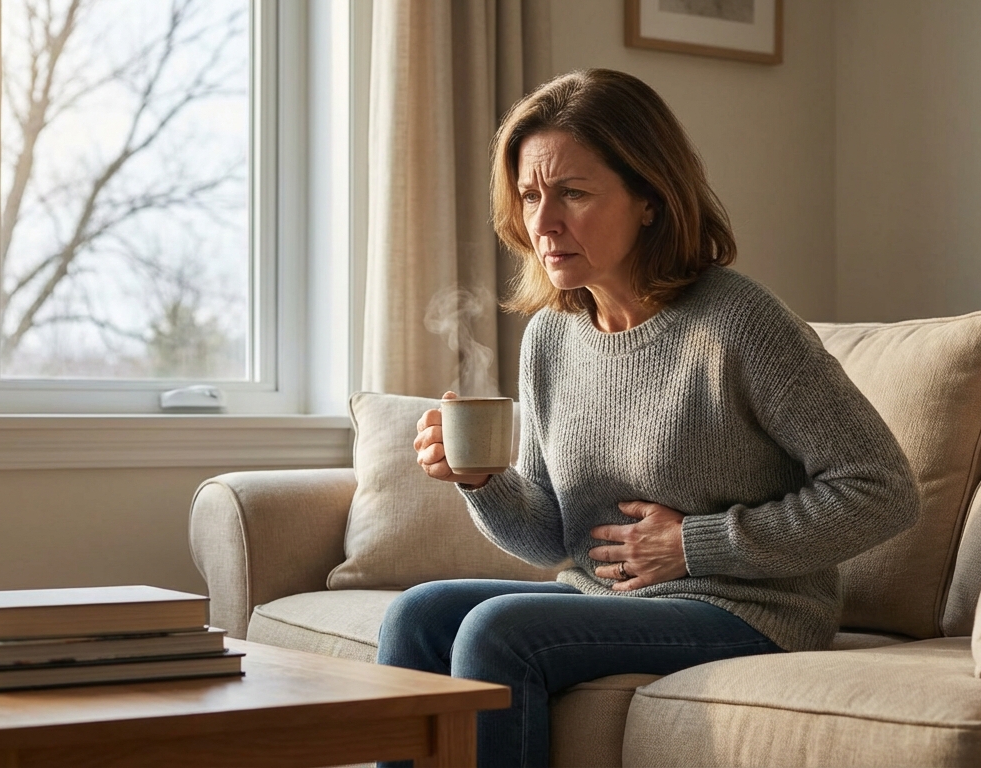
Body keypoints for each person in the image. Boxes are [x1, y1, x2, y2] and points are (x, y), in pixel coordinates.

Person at [381, 68, 920, 768]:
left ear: (650, 199)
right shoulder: (551, 337)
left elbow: (884, 490)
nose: (543, 223)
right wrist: (481, 480)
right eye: (529, 195)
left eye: (573, 193)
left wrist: (696, 545)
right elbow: (552, 537)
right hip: (604, 596)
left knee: (501, 631)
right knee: (418, 613)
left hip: (745, 611)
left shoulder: (740, 323)